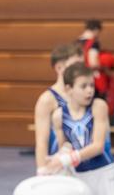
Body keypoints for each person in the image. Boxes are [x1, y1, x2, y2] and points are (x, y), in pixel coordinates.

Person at [43, 62, 114, 195]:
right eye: (83, 86)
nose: (90, 90)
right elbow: (65, 145)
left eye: (92, 85)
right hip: (80, 177)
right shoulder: (59, 116)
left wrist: (67, 158)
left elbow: (98, 146)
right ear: (69, 89)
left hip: (104, 173)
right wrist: (57, 158)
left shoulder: (98, 107)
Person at [34, 43, 83, 174]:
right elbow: (41, 142)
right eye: (75, 66)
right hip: (59, 167)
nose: (81, 70)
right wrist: (42, 171)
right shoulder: (47, 99)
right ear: (59, 68)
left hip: (83, 165)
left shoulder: (83, 95)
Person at [78, 19, 107, 100]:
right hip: (90, 78)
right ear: (96, 30)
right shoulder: (93, 43)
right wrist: (103, 66)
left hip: (77, 77)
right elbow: (93, 63)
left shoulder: (76, 42)